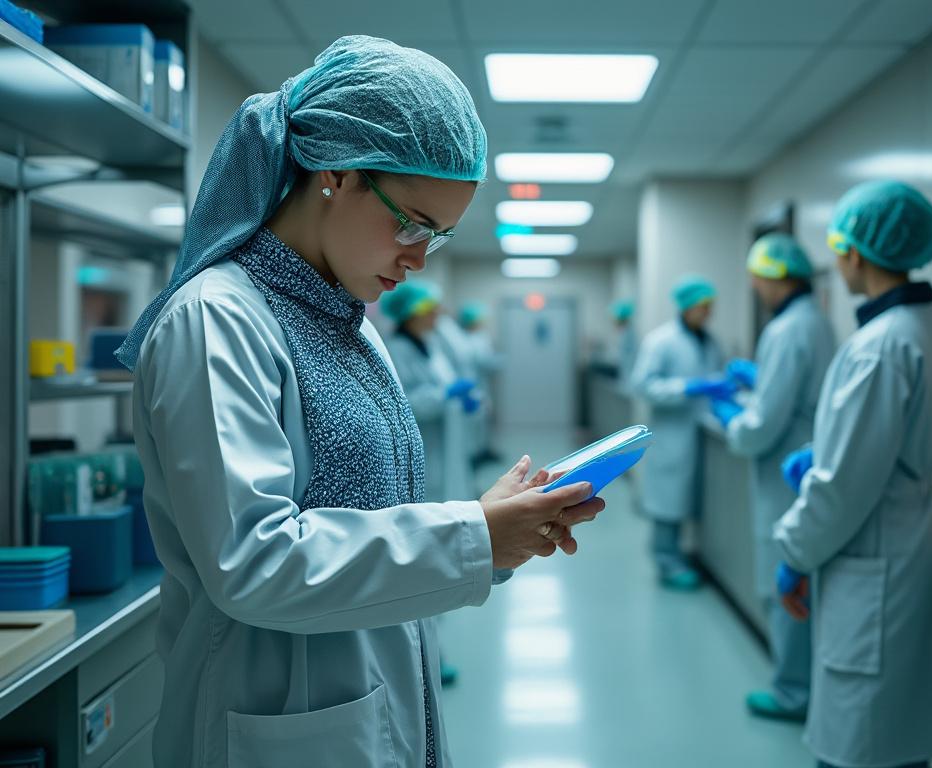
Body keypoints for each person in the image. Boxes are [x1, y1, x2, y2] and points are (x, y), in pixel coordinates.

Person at [118, 36, 604, 768]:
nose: (417, 258)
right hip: (272, 716)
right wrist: (471, 537)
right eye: (410, 221)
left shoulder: (351, 325)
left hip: (375, 696)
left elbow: (371, 523)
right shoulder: (217, 319)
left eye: (437, 237)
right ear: (334, 173)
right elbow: (253, 562)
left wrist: (489, 524)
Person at [772, 180, 932, 768]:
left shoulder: (880, 344)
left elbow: (843, 487)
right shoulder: (927, 327)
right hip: (908, 542)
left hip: (875, 558)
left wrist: (794, 554)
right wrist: (828, 448)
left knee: (861, 744)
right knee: (891, 736)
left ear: (855, 252)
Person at [711, 234, 835, 722]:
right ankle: (801, 687)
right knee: (799, 583)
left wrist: (732, 421)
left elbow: (762, 427)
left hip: (784, 472)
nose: (756, 288)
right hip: (804, 465)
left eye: (758, 279)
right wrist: (760, 385)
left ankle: (792, 694)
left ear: (775, 278)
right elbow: (791, 392)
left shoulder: (786, 331)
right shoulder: (817, 323)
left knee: (783, 586)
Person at [631, 276, 723, 590]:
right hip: (671, 435)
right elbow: (642, 385)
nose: (708, 313)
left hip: (699, 434)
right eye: (703, 307)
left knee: (689, 499)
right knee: (667, 502)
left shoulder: (709, 342)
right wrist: (687, 388)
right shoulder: (661, 341)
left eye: (711, 307)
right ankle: (666, 561)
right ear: (686, 308)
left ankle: (686, 553)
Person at [382, 281, 476, 503]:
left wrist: (462, 399)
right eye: (430, 309)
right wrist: (445, 395)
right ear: (412, 314)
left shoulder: (429, 344)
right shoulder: (397, 350)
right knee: (428, 496)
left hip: (445, 439)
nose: (437, 314)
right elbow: (404, 405)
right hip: (423, 441)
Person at [458, 302, 502, 465]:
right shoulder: (472, 340)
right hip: (474, 387)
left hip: (479, 386)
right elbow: (483, 361)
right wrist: (497, 361)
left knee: (482, 423)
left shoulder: (474, 338)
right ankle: (477, 455)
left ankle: (483, 451)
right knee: (475, 426)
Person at [609, 299, 638, 389]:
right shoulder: (625, 333)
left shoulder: (628, 334)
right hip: (625, 376)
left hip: (629, 378)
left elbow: (630, 359)